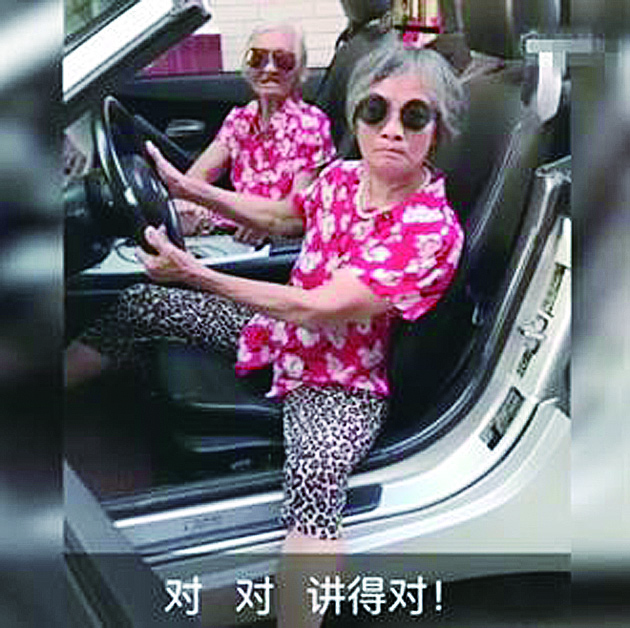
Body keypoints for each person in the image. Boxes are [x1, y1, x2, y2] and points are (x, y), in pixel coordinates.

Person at [66, 34, 466, 626]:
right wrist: (187, 187)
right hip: (277, 335)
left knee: (315, 479)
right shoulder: (343, 178)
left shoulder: (430, 228)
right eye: (375, 110)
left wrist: (197, 274)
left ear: (438, 131)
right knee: (143, 304)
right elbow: (282, 216)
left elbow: (320, 309)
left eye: (414, 116)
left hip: (341, 380)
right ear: (356, 116)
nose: (391, 130)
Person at [174, 22, 336, 240]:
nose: (269, 68)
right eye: (257, 58)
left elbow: (295, 217)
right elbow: (194, 180)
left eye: (283, 60)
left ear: (300, 71)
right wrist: (192, 208)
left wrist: (253, 218)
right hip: (230, 232)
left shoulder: (310, 125)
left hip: (276, 242)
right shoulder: (241, 119)